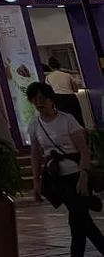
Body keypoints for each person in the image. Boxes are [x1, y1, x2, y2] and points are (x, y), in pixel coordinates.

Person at [27, 81, 104, 256]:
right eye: (34, 100)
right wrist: (36, 181)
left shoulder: (67, 120)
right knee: (83, 222)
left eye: (42, 98)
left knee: (77, 221)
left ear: (51, 99)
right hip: (57, 178)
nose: (39, 103)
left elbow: (84, 151)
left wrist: (83, 178)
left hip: (76, 174)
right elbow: (35, 154)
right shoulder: (34, 124)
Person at [50, 58, 87, 122]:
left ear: (50, 66)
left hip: (58, 99)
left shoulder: (48, 77)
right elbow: (75, 89)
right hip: (71, 97)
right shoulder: (68, 75)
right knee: (77, 118)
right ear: (59, 66)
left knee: (64, 120)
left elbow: (50, 91)